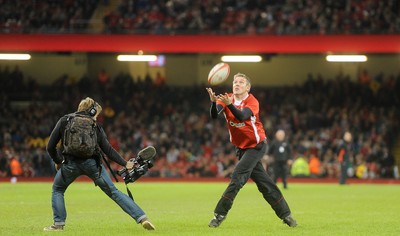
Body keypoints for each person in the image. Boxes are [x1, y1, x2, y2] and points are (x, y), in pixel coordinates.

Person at [44, 97, 155, 231]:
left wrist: (58, 162)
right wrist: (125, 163)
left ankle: (58, 224)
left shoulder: (64, 120)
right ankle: (142, 218)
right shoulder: (95, 126)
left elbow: (50, 147)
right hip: (93, 165)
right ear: (92, 111)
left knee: (58, 190)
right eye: (97, 114)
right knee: (114, 192)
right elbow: (108, 149)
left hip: (70, 165)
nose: (97, 117)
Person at [206, 73, 297, 228]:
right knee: (265, 183)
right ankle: (287, 215)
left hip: (257, 146)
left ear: (247, 87)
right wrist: (214, 103)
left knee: (237, 176)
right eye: (235, 82)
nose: (237, 84)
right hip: (241, 148)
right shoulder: (227, 98)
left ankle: (219, 215)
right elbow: (214, 115)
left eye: (241, 82)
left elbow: (242, 116)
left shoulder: (252, 101)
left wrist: (229, 105)